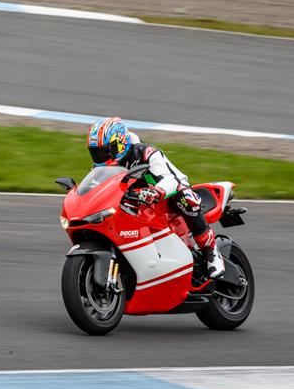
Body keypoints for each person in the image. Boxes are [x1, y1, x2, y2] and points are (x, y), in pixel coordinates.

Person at [87, 116, 225, 278]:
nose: (100, 158)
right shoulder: (103, 167)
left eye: (104, 152)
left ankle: (211, 253)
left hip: (167, 193)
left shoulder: (146, 153)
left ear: (119, 145)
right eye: (96, 153)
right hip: (138, 201)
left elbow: (171, 179)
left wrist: (157, 191)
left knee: (184, 197)